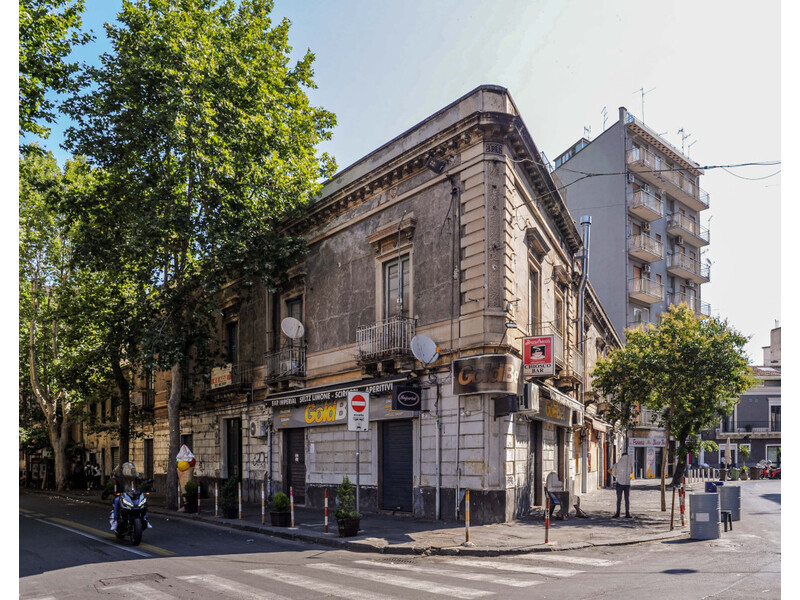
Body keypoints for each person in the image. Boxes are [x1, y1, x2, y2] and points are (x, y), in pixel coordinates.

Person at [610, 451, 634, 518]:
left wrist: (616, 476)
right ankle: (627, 513)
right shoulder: (629, 465)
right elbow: (631, 472)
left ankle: (618, 513)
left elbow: (609, 470)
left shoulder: (617, 464)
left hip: (619, 484)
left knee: (619, 499)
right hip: (627, 484)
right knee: (626, 499)